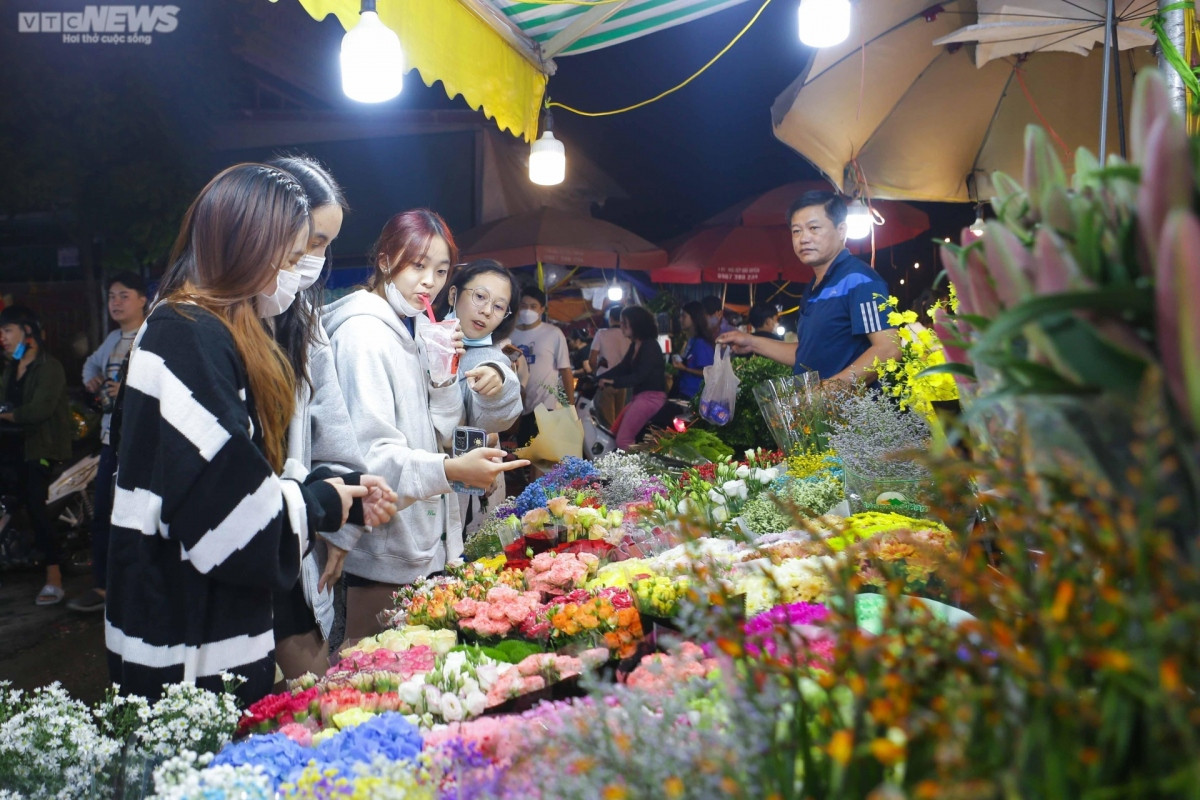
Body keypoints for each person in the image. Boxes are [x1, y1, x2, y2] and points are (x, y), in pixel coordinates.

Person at [106, 164, 380, 704]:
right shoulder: (185, 335)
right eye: (295, 249)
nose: (301, 267)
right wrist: (324, 501)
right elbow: (236, 529)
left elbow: (234, 474)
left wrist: (323, 484)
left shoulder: (213, 327)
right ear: (244, 242)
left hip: (209, 615)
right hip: (188, 634)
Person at [323, 210, 529, 644]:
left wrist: (440, 376)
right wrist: (452, 472)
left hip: (423, 535)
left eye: (439, 270)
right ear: (384, 260)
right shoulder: (363, 335)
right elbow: (368, 456)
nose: (429, 282)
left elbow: (443, 430)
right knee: (370, 666)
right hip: (384, 542)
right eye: (417, 266)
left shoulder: (417, 327)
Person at [265, 154, 396, 678]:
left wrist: (343, 523)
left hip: (296, 539)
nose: (313, 258)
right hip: (241, 543)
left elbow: (335, 441)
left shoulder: (306, 326)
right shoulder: (202, 327)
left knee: (307, 690)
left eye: (323, 246)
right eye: (309, 242)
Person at [718, 191, 900, 383]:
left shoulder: (859, 280)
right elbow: (805, 354)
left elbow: (888, 348)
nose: (803, 238)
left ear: (841, 230)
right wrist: (751, 342)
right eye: (796, 231)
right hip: (817, 409)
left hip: (852, 410)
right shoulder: (814, 288)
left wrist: (833, 388)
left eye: (813, 228)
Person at [67, 273, 148, 613]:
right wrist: (92, 380)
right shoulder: (114, 339)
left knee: (140, 515)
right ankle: (103, 587)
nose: (115, 302)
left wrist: (128, 390)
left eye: (123, 295)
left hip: (141, 442)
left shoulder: (151, 334)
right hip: (108, 440)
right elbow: (89, 364)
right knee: (103, 515)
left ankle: (141, 588)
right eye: (112, 296)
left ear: (143, 299)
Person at [436, 258, 524, 530]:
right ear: (453, 294)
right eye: (480, 296)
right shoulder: (425, 338)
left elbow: (499, 401)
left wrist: (497, 380)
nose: (486, 311)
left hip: (469, 479)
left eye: (498, 306)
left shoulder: (492, 355)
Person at [0, 306, 72, 606]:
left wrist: (7, 416)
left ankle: (54, 578)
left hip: (39, 448)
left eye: (7, 330)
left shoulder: (49, 367)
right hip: (10, 447)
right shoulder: (11, 365)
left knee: (34, 505)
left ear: (27, 332)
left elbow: (40, 411)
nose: (2, 337)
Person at [510, 286, 574, 447]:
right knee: (524, 450)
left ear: (542, 309)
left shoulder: (553, 333)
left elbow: (565, 370)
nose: (527, 310)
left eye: (533, 306)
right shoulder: (510, 334)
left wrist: (570, 406)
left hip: (546, 403)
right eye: (524, 306)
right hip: (518, 405)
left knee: (542, 454)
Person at [597, 306, 667, 450]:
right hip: (640, 397)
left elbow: (639, 376)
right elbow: (622, 368)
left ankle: (634, 471)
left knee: (623, 440)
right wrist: (596, 378)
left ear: (636, 323)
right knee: (614, 433)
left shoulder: (650, 346)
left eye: (624, 323)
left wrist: (613, 382)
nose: (621, 326)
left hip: (651, 398)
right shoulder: (636, 344)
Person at [587, 306, 630, 428]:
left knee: (607, 424)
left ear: (610, 318)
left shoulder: (601, 334)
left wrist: (596, 372)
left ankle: (611, 447)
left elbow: (592, 360)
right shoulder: (628, 336)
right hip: (623, 384)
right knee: (620, 421)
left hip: (604, 383)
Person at [671, 301, 715, 400]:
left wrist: (685, 369)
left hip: (693, 396)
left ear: (694, 318)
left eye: (684, 316)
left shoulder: (701, 344)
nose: (680, 319)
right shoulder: (691, 340)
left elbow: (709, 372)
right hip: (683, 391)